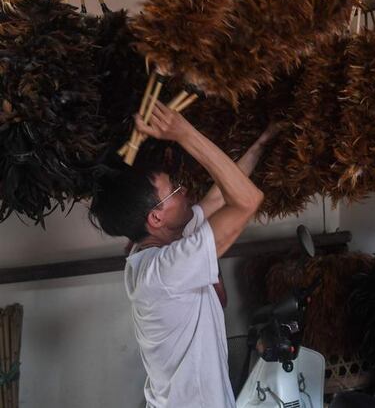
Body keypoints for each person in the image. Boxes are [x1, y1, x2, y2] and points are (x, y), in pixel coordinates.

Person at [89, 101, 278, 408]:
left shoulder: (159, 247)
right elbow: (247, 200)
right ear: (155, 218)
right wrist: (184, 134)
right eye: (174, 191)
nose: (185, 192)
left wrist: (264, 140)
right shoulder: (164, 270)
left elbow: (221, 197)